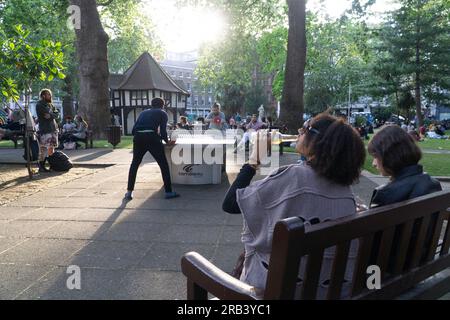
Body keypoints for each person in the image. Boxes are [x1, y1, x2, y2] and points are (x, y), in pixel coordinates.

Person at [222, 113, 366, 299]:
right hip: (323, 290)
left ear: (318, 143)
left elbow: (231, 204)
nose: (299, 131)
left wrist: (254, 160)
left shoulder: (295, 177)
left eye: (305, 128)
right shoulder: (345, 192)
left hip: (272, 291)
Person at [368, 125, 442, 208]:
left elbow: (372, 220)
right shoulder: (433, 184)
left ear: (390, 157)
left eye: (376, 157)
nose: (373, 164)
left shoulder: (384, 193)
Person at [124, 97, 179, 201]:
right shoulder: (162, 113)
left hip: (138, 137)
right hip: (152, 137)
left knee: (135, 164)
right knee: (163, 164)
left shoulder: (143, 113)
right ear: (162, 105)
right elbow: (163, 131)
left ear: (152, 104)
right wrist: (167, 142)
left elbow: (133, 130)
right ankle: (168, 192)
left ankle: (129, 192)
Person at [36, 89, 59, 173]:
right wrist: (53, 115)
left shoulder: (51, 105)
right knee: (44, 148)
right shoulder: (39, 104)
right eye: (48, 94)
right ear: (43, 96)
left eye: (50, 94)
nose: (50, 96)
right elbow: (47, 115)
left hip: (53, 128)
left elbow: (56, 114)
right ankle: (41, 166)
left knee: (51, 148)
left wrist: (52, 115)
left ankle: (52, 165)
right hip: (45, 129)